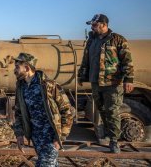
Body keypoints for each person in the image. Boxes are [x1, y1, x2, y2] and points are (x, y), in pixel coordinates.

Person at [78, 14, 134, 153]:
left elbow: (127, 61)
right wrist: (81, 75)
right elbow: (87, 59)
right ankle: (110, 135)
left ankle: (115, 141)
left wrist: (129, 79)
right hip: (96, 82)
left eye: (94, 25)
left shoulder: (118, 40)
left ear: (103, 24)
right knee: (102, 110)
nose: (92, 27)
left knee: (112, 111)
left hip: (112, 83)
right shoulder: (92, 40)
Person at [12, 52, 74, 167]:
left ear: (26, 68)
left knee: (45, 164)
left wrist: (61, 137)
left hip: (51, 137)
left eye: (17, 67)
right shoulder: (21, 88)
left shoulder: (48, 85)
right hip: (36, 137)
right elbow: (19, 113)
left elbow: (67, 111)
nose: (14, 70)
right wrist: (19, 134)